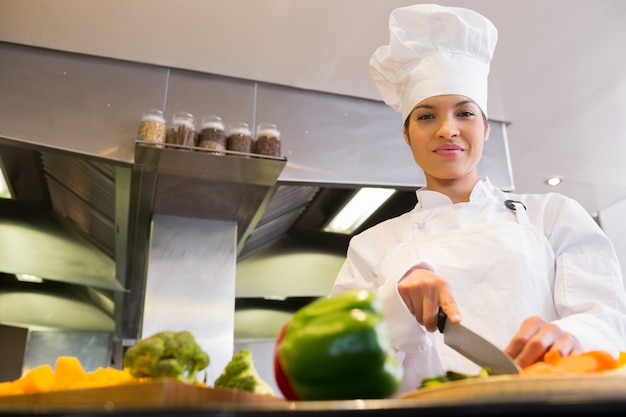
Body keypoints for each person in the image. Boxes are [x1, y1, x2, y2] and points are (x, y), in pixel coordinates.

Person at [330, 3, 626, 394]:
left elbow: (607, 321)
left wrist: (569, 337)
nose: (447, 130)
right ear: (406, 134)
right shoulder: (370, 246)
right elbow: (339, 359)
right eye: (426, 116)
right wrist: (395, 301)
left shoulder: (554, 215)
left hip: (547, 400)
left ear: (485, 129)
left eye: (464, 113)